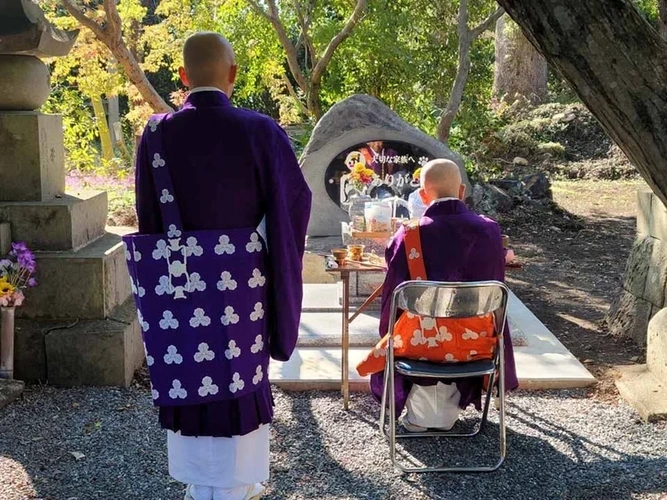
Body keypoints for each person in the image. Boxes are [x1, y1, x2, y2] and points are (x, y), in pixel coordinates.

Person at [134, 32, 312, 500]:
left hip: (178, 286)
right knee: (239, 375)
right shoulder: (260, 131)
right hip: (242, 288)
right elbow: (292, 207)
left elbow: (150, 218)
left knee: (189, 365)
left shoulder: (154, 134)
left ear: (182, 77)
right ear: (232, 74)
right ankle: (238, 484)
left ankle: (200, 484)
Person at [357, 159, 518, 432]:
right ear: (462, 190)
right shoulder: (489, 230)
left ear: (422, 194)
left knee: (398, 335)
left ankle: (415, 415)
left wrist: (388, 331)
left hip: (420, 343)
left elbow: (392, 298)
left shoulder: (408, 234)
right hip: (477, 343)